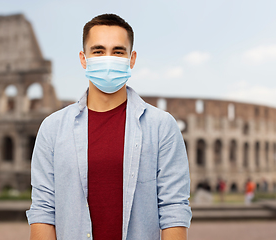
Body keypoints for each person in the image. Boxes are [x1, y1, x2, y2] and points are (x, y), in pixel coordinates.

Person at [26, 13, 192, 240]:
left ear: (131, 59)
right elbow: (44, 210)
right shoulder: (52, 129)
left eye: (117, 51)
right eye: (98, 51)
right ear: (83, 59)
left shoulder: (161, 127)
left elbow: (174, 210)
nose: (108, 58)